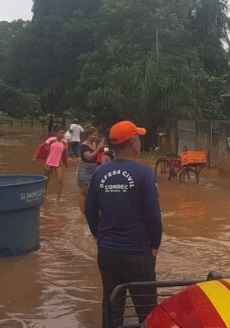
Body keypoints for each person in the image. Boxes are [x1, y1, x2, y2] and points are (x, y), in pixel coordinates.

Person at [85, 121, 161, 328]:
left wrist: (99, 236)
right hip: (138, 252)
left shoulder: (100, 173)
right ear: (133, 141)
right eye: (138, 137)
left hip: (107, 253)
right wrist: (154, 245)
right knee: (147, 310)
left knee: (112, 305)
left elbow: (90, 210)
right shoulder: (144, 173)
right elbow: (153, 215)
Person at [76, 126, 106, 214]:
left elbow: (97, 156)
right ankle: (83, 214)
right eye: (94, 135)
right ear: (88, 135)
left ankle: (91, 211)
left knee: (94, 191)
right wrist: (98, 148)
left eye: (97, 135)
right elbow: (89, 157)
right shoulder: (84, 145)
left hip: (94, 168)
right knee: (84, 192)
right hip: (85, 169)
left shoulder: (94, 144)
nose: (96, 137)